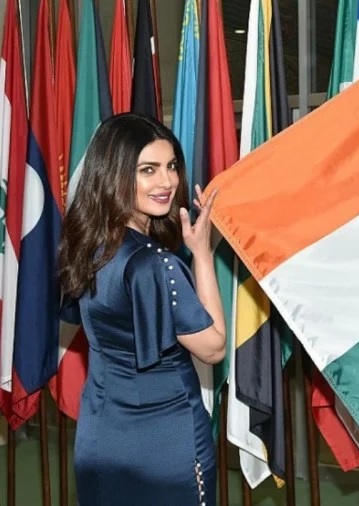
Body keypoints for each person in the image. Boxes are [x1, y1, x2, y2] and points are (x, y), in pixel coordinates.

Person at [57, 113, 226, 506]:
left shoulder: (88, 247)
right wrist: (202, 253)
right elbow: (214, 348)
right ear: (115, 174)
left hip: (101, 436)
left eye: (171, 166)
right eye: (148, 170)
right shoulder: (154, 264)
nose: (166, 182)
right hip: (166, 443)